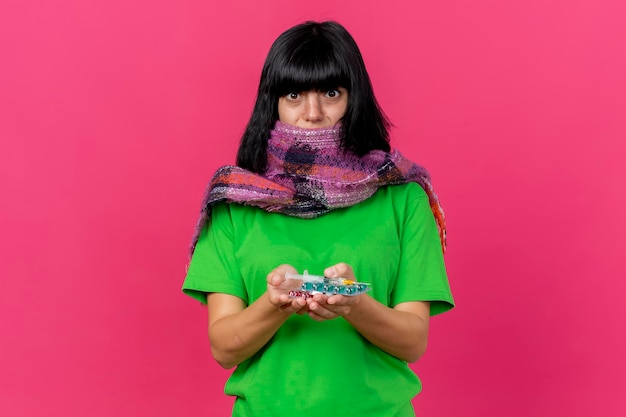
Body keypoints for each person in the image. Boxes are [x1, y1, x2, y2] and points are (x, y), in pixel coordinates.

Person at [183, 20, 454, 417]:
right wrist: (275, 304)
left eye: (331, 93)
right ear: (271, 102)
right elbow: (224, 347)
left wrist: (355, 305)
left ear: (354, 98)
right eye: (294, 94)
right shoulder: (235, 201)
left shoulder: (404, 196)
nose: (313, 113)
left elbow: (413, 341)